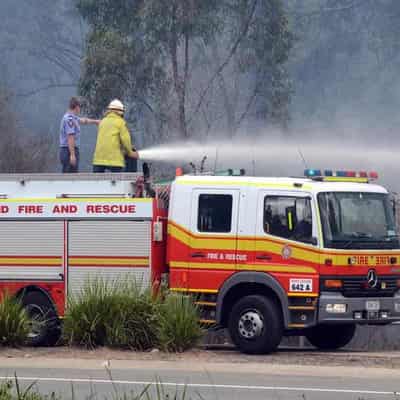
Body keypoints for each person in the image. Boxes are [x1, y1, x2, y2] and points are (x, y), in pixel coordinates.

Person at [92, 99, 138, 173]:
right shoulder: (120, 123)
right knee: (117, 183)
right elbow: (126, 140)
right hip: (114, 160)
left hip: (98, 160)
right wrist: (130, 152)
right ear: (121, 112)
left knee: (98, 182)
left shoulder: (103, 122)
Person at [59, 97, 100, 173]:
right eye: (80, 107)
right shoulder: (69, 119)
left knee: (71, 175)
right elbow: (70, 137)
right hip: (68, 150)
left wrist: (96, 121)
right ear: (77, 107)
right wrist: (72, 154)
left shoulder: (73, 118)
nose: (80, 109)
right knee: (70, 177)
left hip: (69, 150)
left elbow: (83, 121)